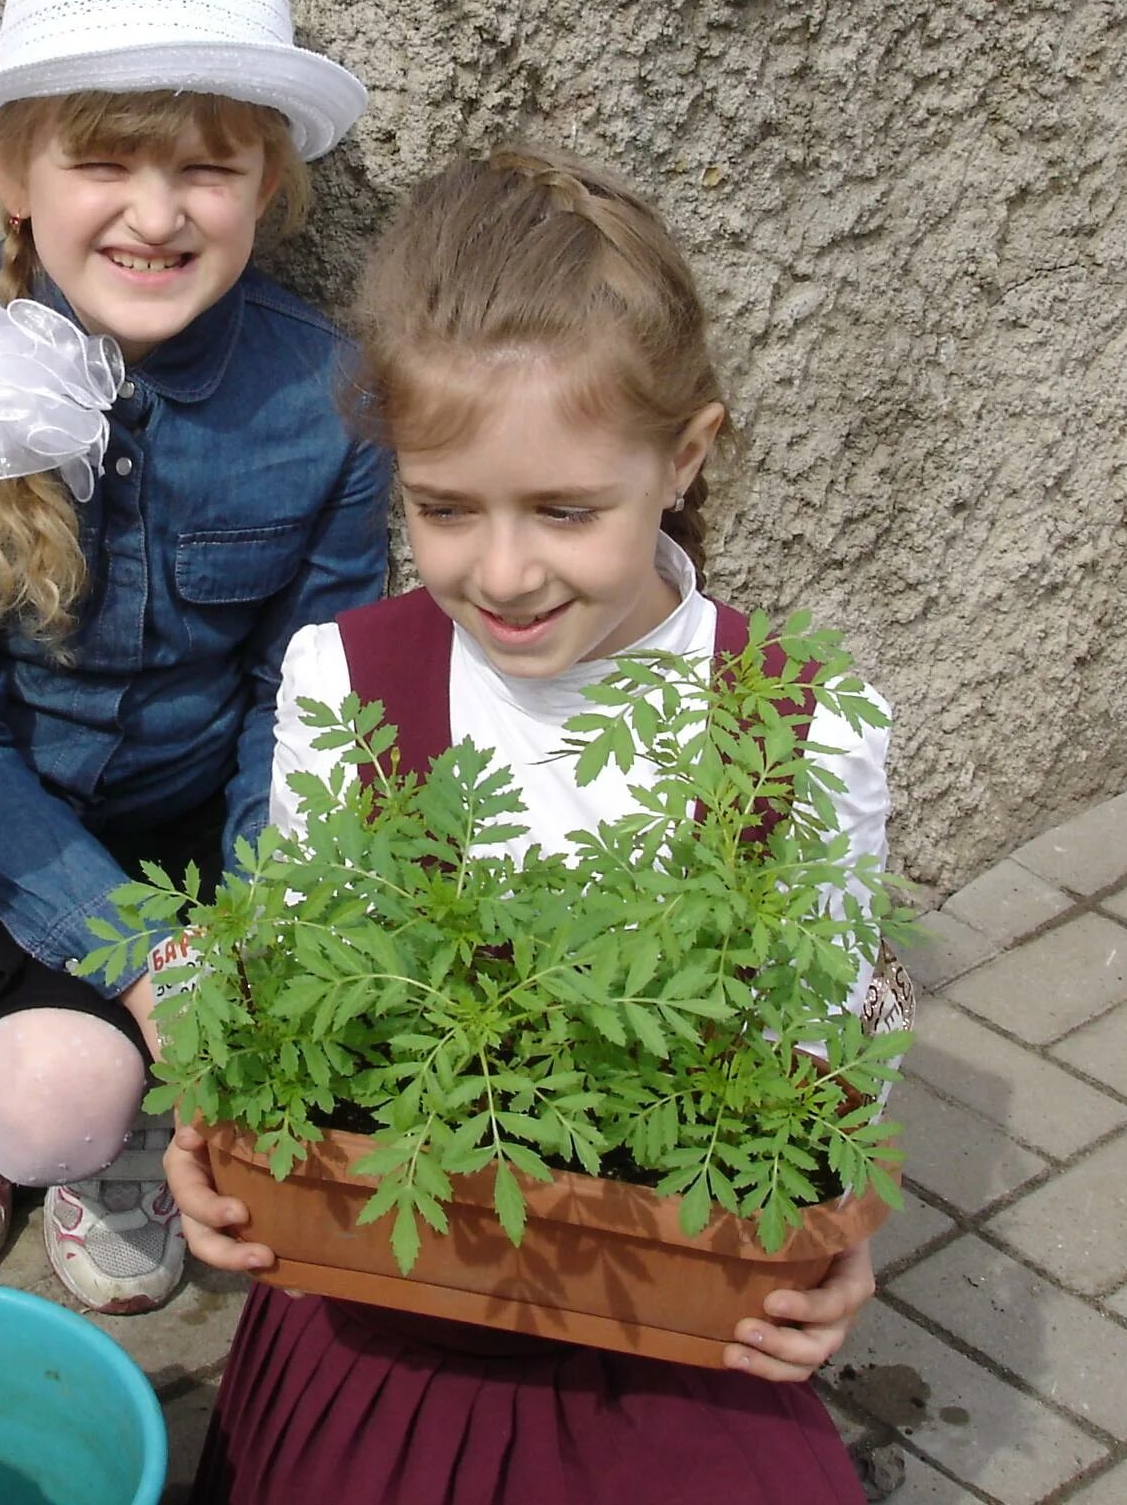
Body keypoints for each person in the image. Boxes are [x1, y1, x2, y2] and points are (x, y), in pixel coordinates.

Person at [173, 148, 908, 1504]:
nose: (500, 573)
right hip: (393, 1273)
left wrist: (836, 1231)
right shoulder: (351, 679)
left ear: (683, 457)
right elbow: (291, 976)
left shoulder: (808, 726)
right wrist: (214, 1123)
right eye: (444, 509)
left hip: (676, 1306)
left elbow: (815, 1054)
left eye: (566, 511)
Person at [0, 0, 391, 1314]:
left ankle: (146, 1082)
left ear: (268, 184)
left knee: (324, 1017)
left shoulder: (331, 392)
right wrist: (147, 959)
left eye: (209, 169)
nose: (158, 214)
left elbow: (306, 690)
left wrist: (255, 924)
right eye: (105, 162)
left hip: (189, 829)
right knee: (58, 1104)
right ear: (15, 170)